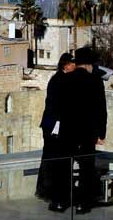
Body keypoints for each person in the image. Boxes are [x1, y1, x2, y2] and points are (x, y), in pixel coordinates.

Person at [61, 47, 108, 214]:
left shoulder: (67, 80)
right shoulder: (95, 81)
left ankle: (62, 201)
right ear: (89, 63)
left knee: (66, 165)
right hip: (88, 131)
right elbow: (101, 109)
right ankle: (82, 203)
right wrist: (101, 133)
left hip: (68, 130)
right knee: (86, 168)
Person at [36, 53, 76, 212]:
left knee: (59, 164)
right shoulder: (60, 81)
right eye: (73, 64)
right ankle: (57, 198)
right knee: (58, 164)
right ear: (66, 65)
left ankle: (59, 197)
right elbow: (57, 107)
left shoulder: (60, 80)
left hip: (57, 129)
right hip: (55, 130)